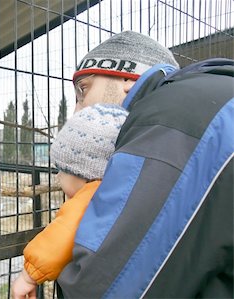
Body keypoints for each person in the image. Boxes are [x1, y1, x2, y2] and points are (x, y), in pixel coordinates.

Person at [57, 31, 233, 298]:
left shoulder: (171, 115)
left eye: (83, 91)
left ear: (127, 77)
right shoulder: (211, 96)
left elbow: (102, 287)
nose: (78, 112)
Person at [12, 103, 129, 299]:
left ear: (83, 172)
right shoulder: (123, 188)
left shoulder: (93, 194)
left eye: (62, 170)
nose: (58, 177)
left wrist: (28, 277)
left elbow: (62, 234)